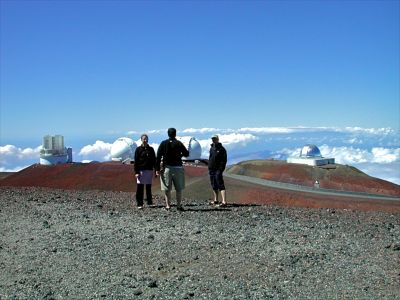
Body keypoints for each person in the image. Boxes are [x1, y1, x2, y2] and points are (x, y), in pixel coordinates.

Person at [156, 128, 189, 211]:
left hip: (167, 168)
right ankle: (178, 205)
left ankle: (168, 205)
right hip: (178, 168)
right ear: (175, 134)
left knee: (167, 188)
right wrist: (179, 155)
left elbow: (158, 156)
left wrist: (157, 169)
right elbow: (186, 153)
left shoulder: (163, 143)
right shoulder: (179, 143)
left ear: (168, 134)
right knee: (178, 188)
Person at [134, 134, 156, 209]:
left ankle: (149, 202)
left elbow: (154, 160)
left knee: (148, 188)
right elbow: (136, 161)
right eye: (144, 139)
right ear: (141, 140)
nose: (145, 140)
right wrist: (136, 172)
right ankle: (139, 203)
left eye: (146, 139)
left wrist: (156, 170)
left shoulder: (151, 149)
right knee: (140, 188)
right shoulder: (138, 149)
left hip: (149, 170)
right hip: (141, 171)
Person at [208, 134, 227, 207]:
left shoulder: (222, 149)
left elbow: (223, 161)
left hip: (218, 170)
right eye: (212, 139)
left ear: (218, 139)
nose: (213, 140)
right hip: (212, 169)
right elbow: (210, 158)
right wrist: (209, 166)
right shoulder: (212, 148)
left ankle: (224, 201)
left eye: (215, 139)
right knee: (213, 184)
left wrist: (220, 170)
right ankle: (215, 200)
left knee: (220, 184)